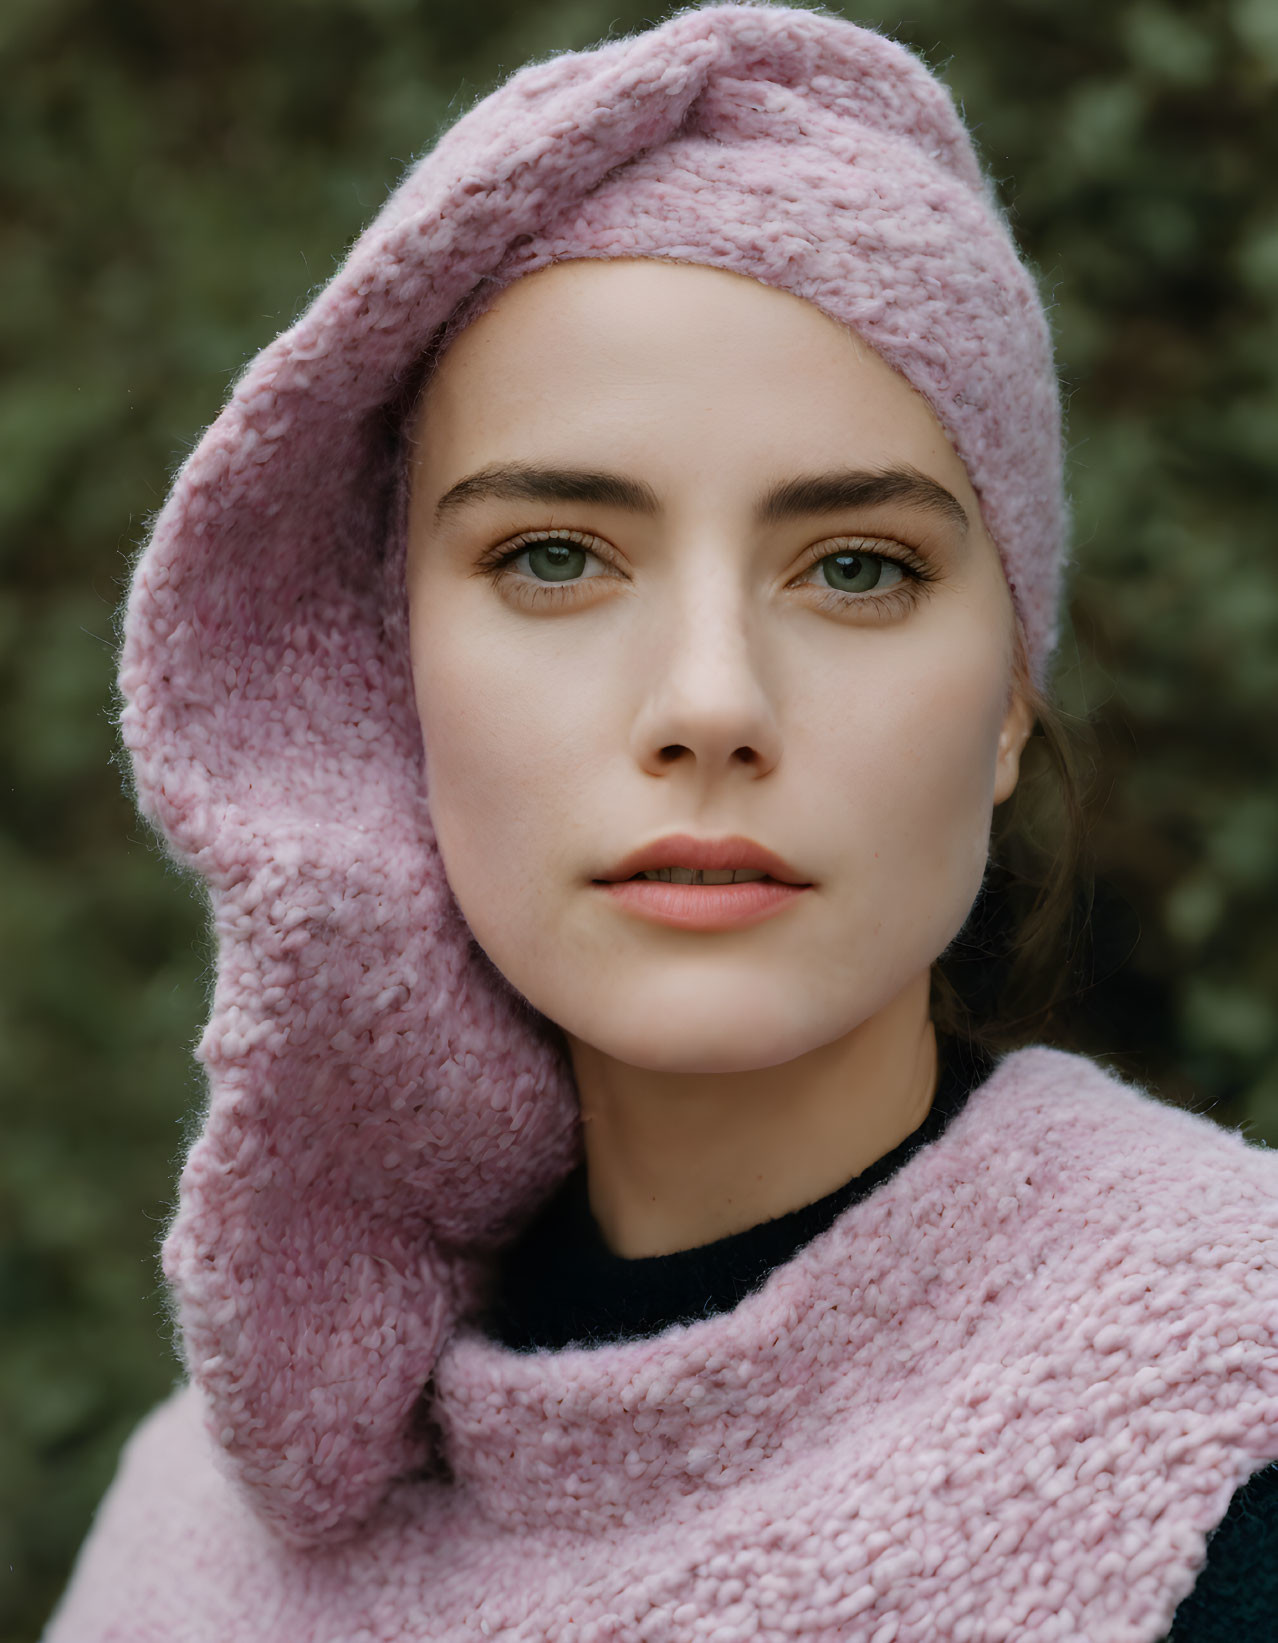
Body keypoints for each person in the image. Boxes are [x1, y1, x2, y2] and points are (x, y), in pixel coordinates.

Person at [44, 4, 1276, 1639]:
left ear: (1003, 708)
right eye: (554, 556)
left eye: (856, 569)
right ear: (390, 680)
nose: (708, 702)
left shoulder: (1227, 1424)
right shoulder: (188, 1540)